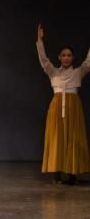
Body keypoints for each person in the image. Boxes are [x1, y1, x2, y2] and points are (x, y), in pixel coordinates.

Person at [36, 23, 90, 184]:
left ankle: (73, 174)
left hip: (73, 108)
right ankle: (57, 174)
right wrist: (40, 41)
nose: (66, 57)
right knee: (56, 138)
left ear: (73, 58)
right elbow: (44, 60)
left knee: (73, 138)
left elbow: (89, 61)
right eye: (63, 55)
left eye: (69, 55)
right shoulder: (53, 72)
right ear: (59, 57)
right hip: (56, 108)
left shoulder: (78, 72)